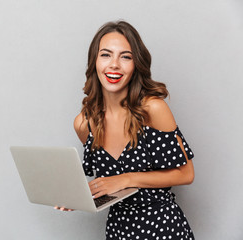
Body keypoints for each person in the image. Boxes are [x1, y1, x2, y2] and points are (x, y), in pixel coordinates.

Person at [56, 20, 195, 240]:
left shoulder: (153, 109)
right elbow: (110, 186)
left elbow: (186, 173)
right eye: (106, 55)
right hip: (118, 230)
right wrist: (79, 197)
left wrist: (127, 178)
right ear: (94, 62)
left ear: (135, 65)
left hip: (162, 228)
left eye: (126, 56)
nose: (114, 65)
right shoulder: (85, 124)